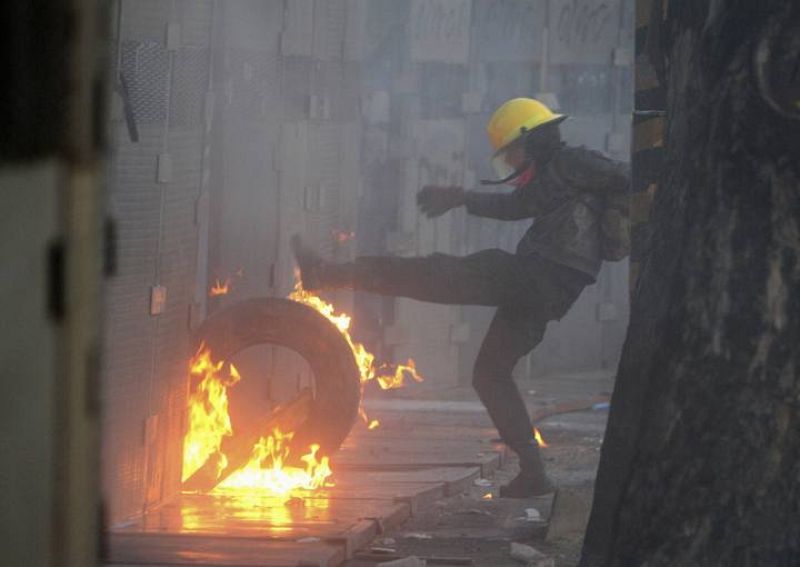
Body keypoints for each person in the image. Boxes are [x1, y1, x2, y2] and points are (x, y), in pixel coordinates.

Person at [292, 97, 630, 497]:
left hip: (536, 276)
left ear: (532, 140)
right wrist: (462, 198)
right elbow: (522, 204)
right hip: (551, 291)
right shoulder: (560, 172)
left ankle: (326, 274)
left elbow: (618, 179)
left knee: (434, 273)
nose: (513, 161)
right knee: (489, 373)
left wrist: (460, 198)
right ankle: (533, 472)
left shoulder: (572, 163)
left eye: (514, 151)